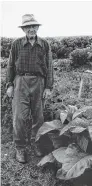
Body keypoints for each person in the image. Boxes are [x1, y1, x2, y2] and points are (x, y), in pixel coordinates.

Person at [6, 14, 53, 163]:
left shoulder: (44, 44)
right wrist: (10, 85)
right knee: (19, 117)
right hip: (20, 82)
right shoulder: (16, 44)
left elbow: (50, 67)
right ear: (23, 29)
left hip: (39, 82)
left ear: (37, 27)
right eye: (28, 27)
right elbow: (10, 65)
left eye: (34, 26)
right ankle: (20, 148)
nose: (31, 29)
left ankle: (37, 144)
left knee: (38, 118)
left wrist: (48, 87)